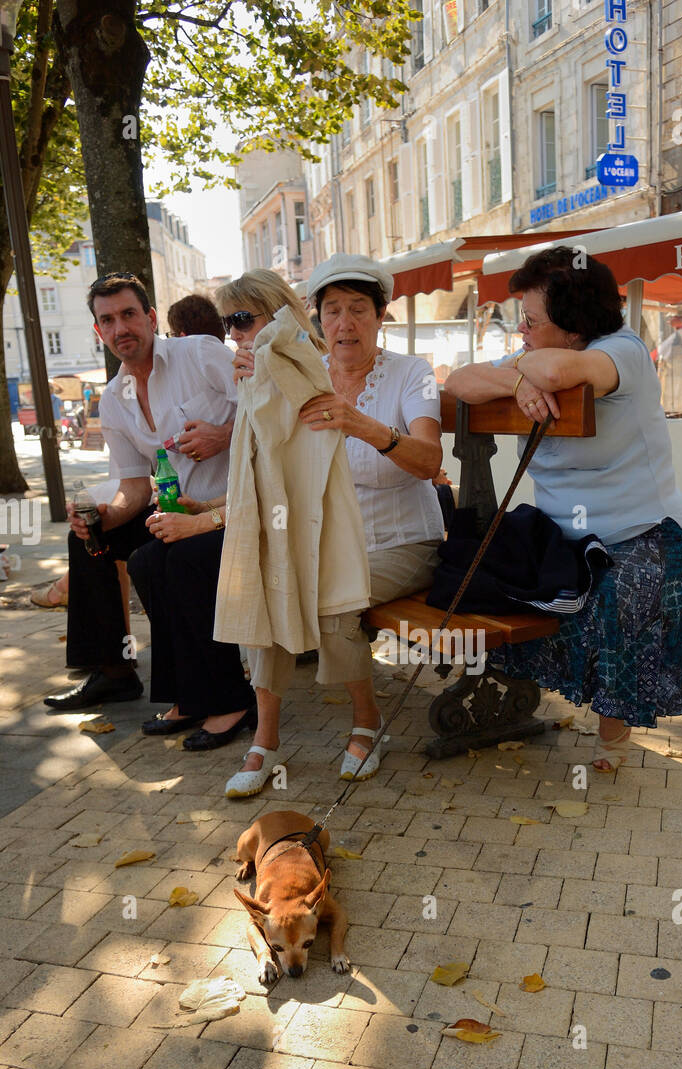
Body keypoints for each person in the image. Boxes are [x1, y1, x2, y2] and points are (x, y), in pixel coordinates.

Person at [446, 248, 682, 771]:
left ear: (575, 326)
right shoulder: (531, 359)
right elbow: (457, 381)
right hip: (567, 539)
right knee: (480, 578)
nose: (521, 330)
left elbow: (558, 368)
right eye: (519, 320)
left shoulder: (623, 351)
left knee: (616, 599)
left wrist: (522, 368)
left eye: (530, 320)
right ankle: (504, 696)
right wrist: (514, 380)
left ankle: (614, 731)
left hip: (646, 533)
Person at [43, 273, 249, 750]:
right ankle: (114, 669)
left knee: (162, 560)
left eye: (129, 314)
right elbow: (134, 490)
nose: (121, 328)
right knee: (90, 537)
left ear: (151, 317)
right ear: (99, 332)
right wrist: (101, 516)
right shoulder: (113, 399)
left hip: (238, 506)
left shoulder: (198, 353)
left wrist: (225, 434)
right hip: (179, 512)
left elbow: (266, 410)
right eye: (108, 320)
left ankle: (217, 695)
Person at [212, 269, 371, 797]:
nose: (233, 331)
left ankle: (366, 722)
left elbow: (297, 409)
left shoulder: (295, 350)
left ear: (274, 311)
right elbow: (261, 440)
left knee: (336, 615)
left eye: (241, 319)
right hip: (274, 513)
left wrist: (255, 372)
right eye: (227, 322)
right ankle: (265, 738)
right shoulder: (264, 357)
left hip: (318, 508)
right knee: (266, 616)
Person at [296, 252, 443, 779]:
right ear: (318, 321)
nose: (345, 322)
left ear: (382, 316)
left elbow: (430, 462)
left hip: (406, 542)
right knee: (260, 578)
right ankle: (259, 727)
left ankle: (366, 723)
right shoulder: (306, 378)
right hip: (333, 542)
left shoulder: (412, 373)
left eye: (359, 308)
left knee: (334, 603)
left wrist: (367, 427)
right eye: (332, 310)